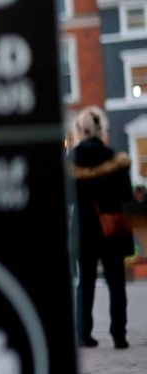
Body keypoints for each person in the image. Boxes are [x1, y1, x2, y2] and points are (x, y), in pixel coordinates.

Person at [69, 107, 133, 349]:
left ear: (79, 130)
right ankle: (119, 335)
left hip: (84, 228)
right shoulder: (114, 158)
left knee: (84, 282)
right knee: (117, 281)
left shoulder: (71, 160)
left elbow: (67, 197)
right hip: (110, 228)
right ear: (100, 128)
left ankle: (84, 334)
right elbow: (126, 195)